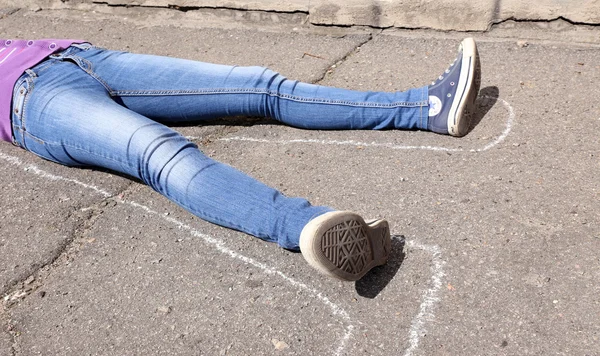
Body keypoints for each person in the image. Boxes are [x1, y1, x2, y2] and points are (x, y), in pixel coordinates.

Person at [1, 37, 481, 281]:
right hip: (33, 103)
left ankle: (427, 107)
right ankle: (309, 227)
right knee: (159, 153)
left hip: (79, 55)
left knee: (260, 86)